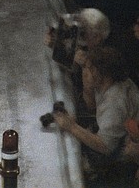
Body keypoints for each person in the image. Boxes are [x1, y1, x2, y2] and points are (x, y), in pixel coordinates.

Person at [52, 46, 139, 186]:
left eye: (89, 69)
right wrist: (87, 88)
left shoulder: (115, 102)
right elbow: (92, 107)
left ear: (101, 74)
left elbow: (105, 146)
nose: (85, 72)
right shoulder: (107, 83)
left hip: (125, 153)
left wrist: (71, 127)